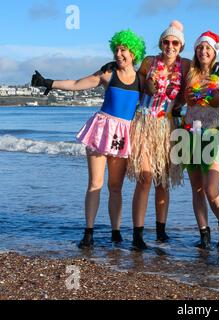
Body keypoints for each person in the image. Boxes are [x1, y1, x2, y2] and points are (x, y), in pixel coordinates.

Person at [31, 29, 146, 248]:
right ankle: (89, 232)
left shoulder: (141, 80)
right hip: (101, 130)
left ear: (134, 53)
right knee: (95, 183)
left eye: (124, 50)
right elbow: (76, 84)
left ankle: (116, 232)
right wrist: (49, 82)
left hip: (123, 134)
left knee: (115, 187)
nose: (119, 53)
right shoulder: (107, 73)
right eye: (116, 49)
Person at [125, 21, 190, 249]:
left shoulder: (187, 65)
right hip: (144, 122)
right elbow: (133, 83)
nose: (170, 46)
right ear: (160, 43)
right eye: (166, 41)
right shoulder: (149, 62)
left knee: (163, 182)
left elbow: (203, 76)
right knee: (144, 177)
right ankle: (138, 235)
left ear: (181, 45)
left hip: (168, 125)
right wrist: (148, 87)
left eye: (175, 42)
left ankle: (161, 233)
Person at [182, 30, 219, 250]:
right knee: (197, 189)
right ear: (195, 50)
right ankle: (204, 234)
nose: (203, 51)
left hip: (216, 135)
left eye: (208, 48)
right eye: (200, 47)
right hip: (190, 134)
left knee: (211, 189)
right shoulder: (190, 73)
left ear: (215, 51)